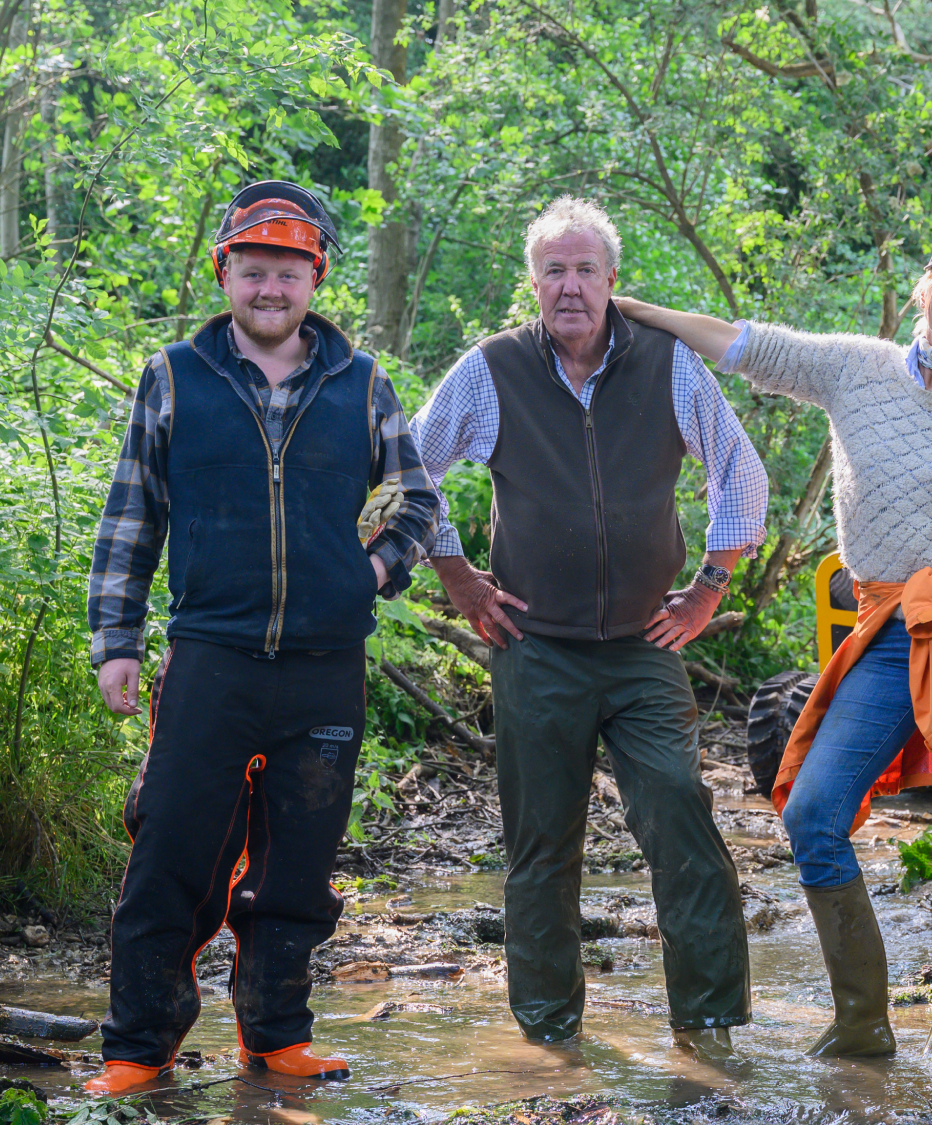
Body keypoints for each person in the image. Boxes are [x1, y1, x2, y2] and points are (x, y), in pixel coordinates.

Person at [616, 235, 932, 1062]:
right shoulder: (852, 367)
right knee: (813, 812)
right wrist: (624, 305)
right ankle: (863, 1022)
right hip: (886, 631)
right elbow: (738, 342)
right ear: (922, 289)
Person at [82, 180, 440, 1094]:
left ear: (314, 279)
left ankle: (276, 1037)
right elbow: (132, 512)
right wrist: (117, 639)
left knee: (298, 867)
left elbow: (418, 501)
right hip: (210, 658)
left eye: (288, 272)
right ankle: (138, 1049)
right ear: (225, 274)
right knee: (170, 853)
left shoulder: (361, 382)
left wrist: (368, 573)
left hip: (326, 669)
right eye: (253, 271)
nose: (270, 288)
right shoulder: (174, 376)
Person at [410, 197, 769, 1060]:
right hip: (534, 648)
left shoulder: (669, 365)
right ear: (532, 283)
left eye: (584, 270)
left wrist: (708, 589)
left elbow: (740, 471)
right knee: (541, 844)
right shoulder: (491, 369)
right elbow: (405, 470)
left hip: (644, 646)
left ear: (611, 279)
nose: (569, 286)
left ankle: (708, 1027)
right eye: (553, 271)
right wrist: (457, 576)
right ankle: (550, 1036)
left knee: (681, 813)